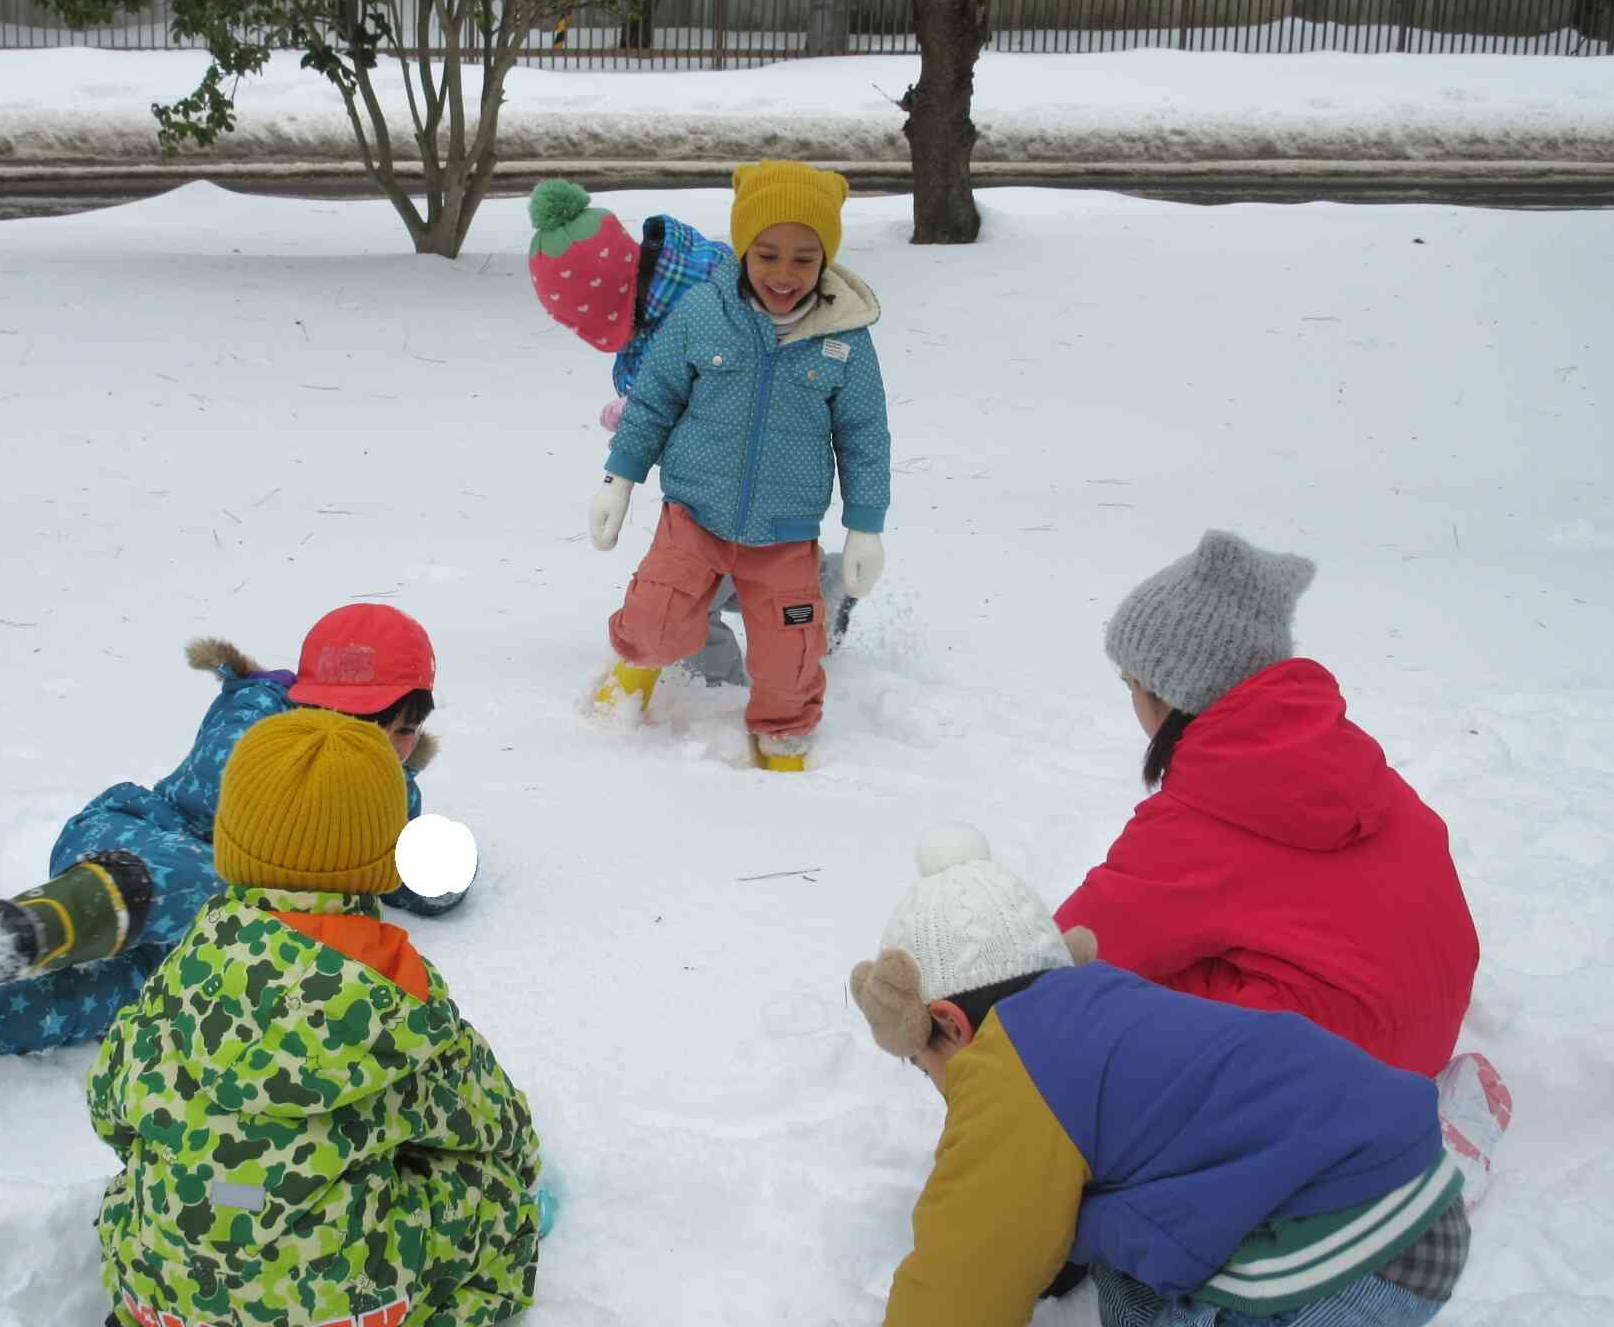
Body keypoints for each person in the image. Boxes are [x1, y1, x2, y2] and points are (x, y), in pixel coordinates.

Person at [0, 603, 467, 1099]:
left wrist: (439, 871)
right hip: (131, 848)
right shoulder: (255, 726)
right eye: (351, 720)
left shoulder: (389, 787)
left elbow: (410, 871)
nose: (374, 745)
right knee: (212, 886)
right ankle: (31, 928)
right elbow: (258, 835)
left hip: (208, 938)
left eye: (398, 731)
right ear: (304, 700)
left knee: (118, 994)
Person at [848, 825, 1470, 1327]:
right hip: (1403, 1181)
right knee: (1117, 1259)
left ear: (951, 1025)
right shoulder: (1105, 1007)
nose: (939, 1087)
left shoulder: (1008, 1065)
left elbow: (969, 1267)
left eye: (923, 1065)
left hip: (1352, 1254)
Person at [92, 709, 543, 1327]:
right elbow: (491, 1125)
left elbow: (111, 1109)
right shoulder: (397, 995)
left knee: (146, 1186)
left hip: (162, 1296)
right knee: (498, 1197)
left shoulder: (185, 970)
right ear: (387, 854)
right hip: (341, 1304)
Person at [1054, 530, 1479, 1078]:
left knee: (1106, 998)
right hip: (1422, 1034)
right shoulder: (1350, 762)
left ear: (1174, 693)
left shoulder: (1201, 815)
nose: (1131, 700)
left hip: (1331, 1076)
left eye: (1132, 683)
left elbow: (1067, 951)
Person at [583, 160, 891, 771]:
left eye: (804, 258)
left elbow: (864, 433)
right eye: (768, 254)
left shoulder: (845, 337)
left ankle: (782, 728)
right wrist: (618, 480)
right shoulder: (701, 313)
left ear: (825, 259)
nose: (784, 273)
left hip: (785, 534)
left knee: (788, 658)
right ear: (744, 248)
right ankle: (634, 662)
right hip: (693, 516)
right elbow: (653, 401)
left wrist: (866, 523)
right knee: (656, 624)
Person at [525, 178, 854, 690]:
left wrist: (639, 415)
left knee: (692, 597)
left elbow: (734, 399)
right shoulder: (669, 294)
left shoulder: (708, 306)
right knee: (725, 578)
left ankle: (716, 689)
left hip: (746, 484)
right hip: (709, 489)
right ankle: (822, 588)